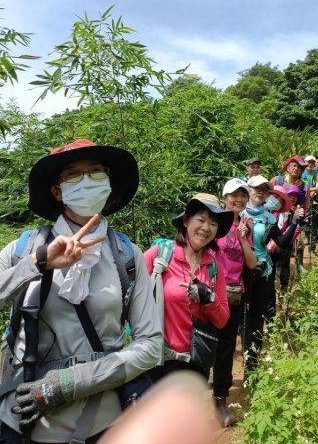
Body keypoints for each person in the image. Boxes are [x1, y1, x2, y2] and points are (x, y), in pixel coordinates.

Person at [0, 139, 162, 444]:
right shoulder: (25, 249)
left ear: (109, 183)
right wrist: (38, 263)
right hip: (24, 423)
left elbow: (151, 345)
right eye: (73, 174)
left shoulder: (126, 255)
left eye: (96, 172)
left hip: (103, 424)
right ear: (57, 191)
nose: (87, 181)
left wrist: (70, 383)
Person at [144, 194, 231, 384]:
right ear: (186, 221)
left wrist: (208, 298)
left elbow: (222, 319)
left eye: (213, 224)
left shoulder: (214, 268)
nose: (206, 228)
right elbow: (132, 295)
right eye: (200, 220)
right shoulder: (160, 256)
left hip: (196, 363)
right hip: (157, 362)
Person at [240, 176, 303, 370]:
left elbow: (282, 243)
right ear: (248, 190)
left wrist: (294, 222)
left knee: (256, 317)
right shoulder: (238, 214)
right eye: (256, 188)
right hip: (240, 272)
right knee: (240, 318)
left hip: (264, 271)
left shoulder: (268, 217)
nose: (260, 192)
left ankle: (251, 362)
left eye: (264, 190)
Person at [212, 178, 257, 427]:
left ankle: (220, 399)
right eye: (233, 195)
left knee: (228, 346)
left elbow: (250, 263)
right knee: (203, 345)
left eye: (242, 195)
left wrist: (242, 238)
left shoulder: (244, 226)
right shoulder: (215, 222)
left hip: (234, 295)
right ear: (224, 197)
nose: (238, 199)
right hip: (212, 294)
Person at [266, 186, 304, 321]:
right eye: (290, 195)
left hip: (283, 247)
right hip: (268, 250)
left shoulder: (295, 212)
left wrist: (295, 222)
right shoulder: (270, 213)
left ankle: (283, 298)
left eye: (295, 195)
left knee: (283, 273)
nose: (292, 198)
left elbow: (294, 232)